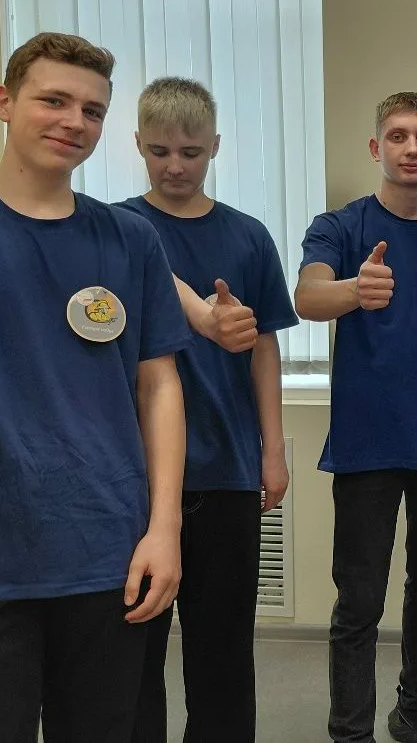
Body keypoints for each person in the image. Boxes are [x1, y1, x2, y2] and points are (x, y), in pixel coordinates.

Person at [0, 32, 191, 742]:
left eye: (92, 111)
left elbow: (159, 385)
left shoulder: (131, 239)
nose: (74, 121)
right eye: (54, 100)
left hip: (107, 556)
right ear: (4, 102)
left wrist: (164, 527)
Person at [120, 77, 300, 742]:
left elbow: (264, 348)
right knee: (131, 651)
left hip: (226, 468)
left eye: (191, 152)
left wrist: (272, 450)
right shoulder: (114, 229)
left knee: (222, 652)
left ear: (215, 146)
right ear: (137, 143)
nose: (175, 166)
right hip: (132, 478)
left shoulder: (248, 237)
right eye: (160, 150)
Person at [295, 92, 417, 743]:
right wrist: (354, 289)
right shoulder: (340, 227)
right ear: (377, 147)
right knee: (360, 600)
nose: (410, 148)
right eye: (397, 136)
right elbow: (307, 296)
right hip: (366, 446)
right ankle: (351, 730)